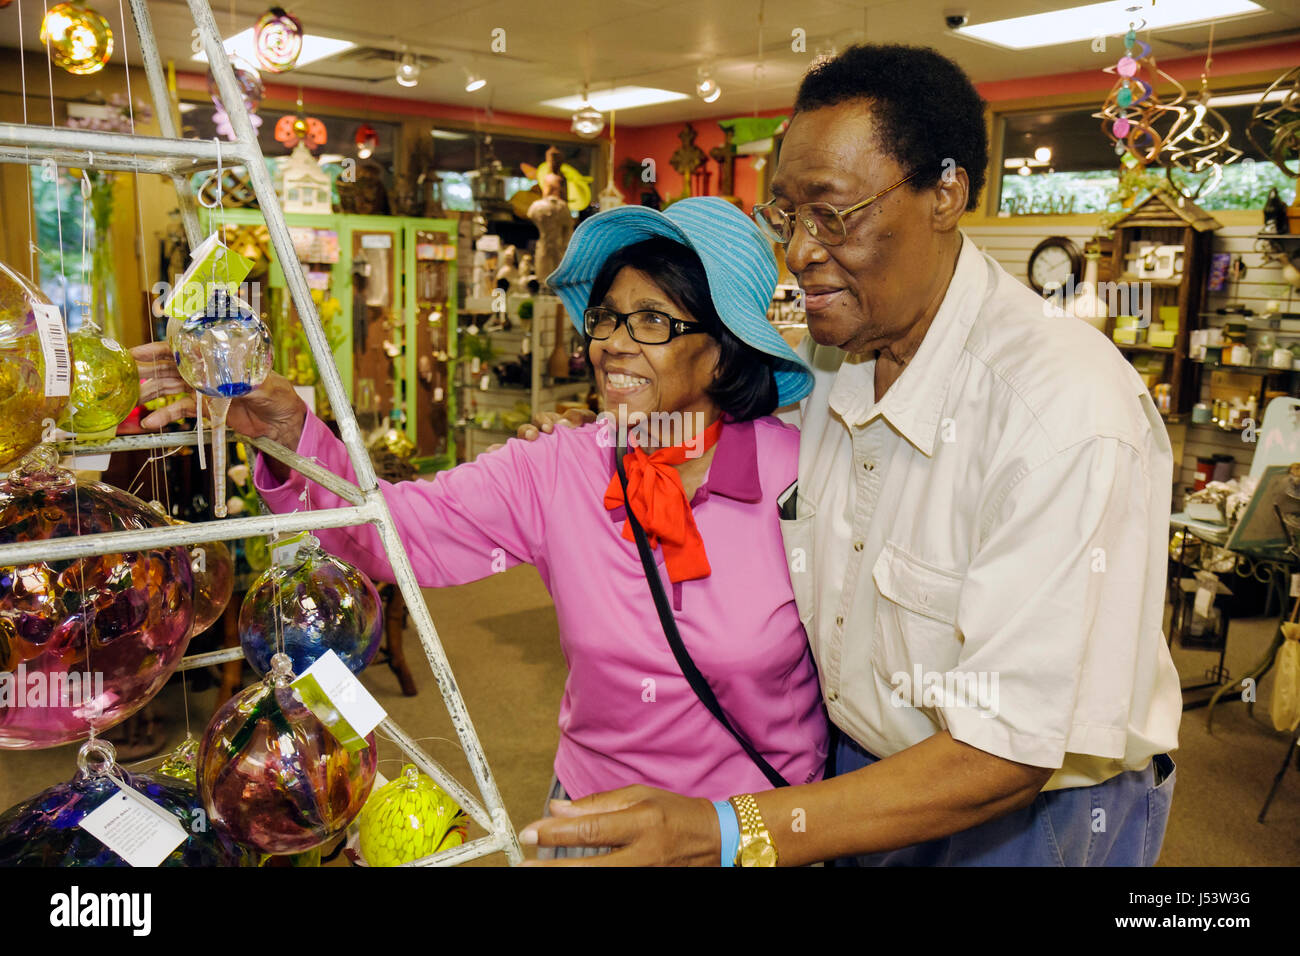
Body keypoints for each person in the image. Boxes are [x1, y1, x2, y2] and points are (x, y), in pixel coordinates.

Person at [516, 43, 1181, 866]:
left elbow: (1007, 749)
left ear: (945, 193)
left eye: (832, 213)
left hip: (1024, 813)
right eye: (786, 217)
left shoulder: (1063, 412)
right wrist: (592, 442)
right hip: (855, 777)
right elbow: (714, 404)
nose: (797, 252)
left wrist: (730, 831)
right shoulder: (839, 355)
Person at [133, 197, 828, 860]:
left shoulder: (807, 480)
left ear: (726, 348)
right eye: (607, 319)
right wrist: (288, 433)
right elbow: (393, 533)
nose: (614, 344)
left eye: (652, 321)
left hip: (756, 832)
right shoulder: (560, 468)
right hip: (596, 823)